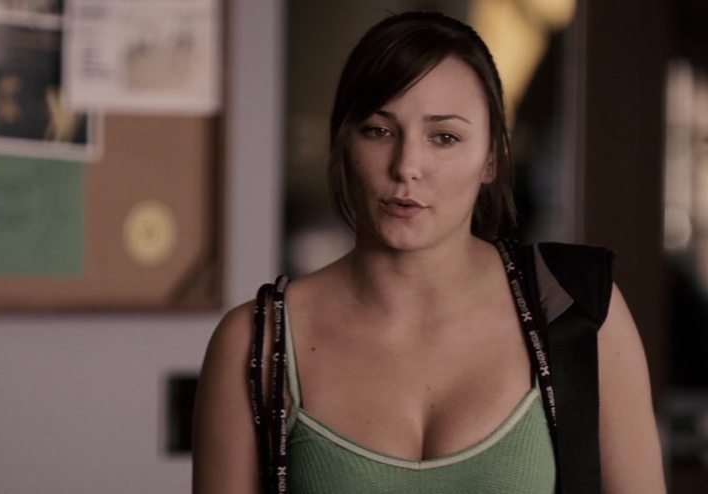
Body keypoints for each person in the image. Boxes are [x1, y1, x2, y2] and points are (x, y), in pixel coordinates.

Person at [192, 11, 666, 494]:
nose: (407, 166)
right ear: (343, 142)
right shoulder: (257, 343)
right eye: (378, 130)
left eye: (445, 137)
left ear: (491, 158)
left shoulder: (576, 310)